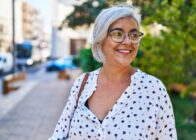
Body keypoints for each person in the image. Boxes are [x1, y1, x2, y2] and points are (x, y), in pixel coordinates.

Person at [49, 5, 177, 140]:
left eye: (134, 35)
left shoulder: (154, 89)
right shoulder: (83, 83)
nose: (128, 41)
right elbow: (59, 135)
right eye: (117, 34)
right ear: (100, 40)